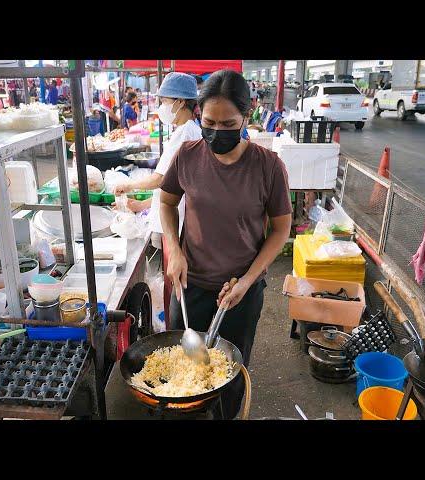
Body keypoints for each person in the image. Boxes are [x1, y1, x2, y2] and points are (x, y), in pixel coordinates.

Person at [160, 69, 292, 419]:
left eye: (228, 123)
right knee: (186, 373)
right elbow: (166, 202)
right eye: (209, 122)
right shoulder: (187, 155)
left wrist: (247, 281)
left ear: (246, 117)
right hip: (191, 286)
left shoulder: (268, 166)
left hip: (241, 292)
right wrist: (174, 249)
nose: (216, 132)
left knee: (230, 377)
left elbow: (281, 229)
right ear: (198, 114)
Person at [114, 72, 201, 324]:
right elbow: (169, 187)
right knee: (170, 277)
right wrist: (141, 205)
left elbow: (161, 179)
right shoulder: (184, 131)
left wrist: (127, 185)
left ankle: (174, 331)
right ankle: (174, 325)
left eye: (165, 101)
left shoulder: (187, 133)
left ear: (181, 102)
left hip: (176, 221)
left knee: (173, 279)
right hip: (172, 214)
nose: (162, 106)